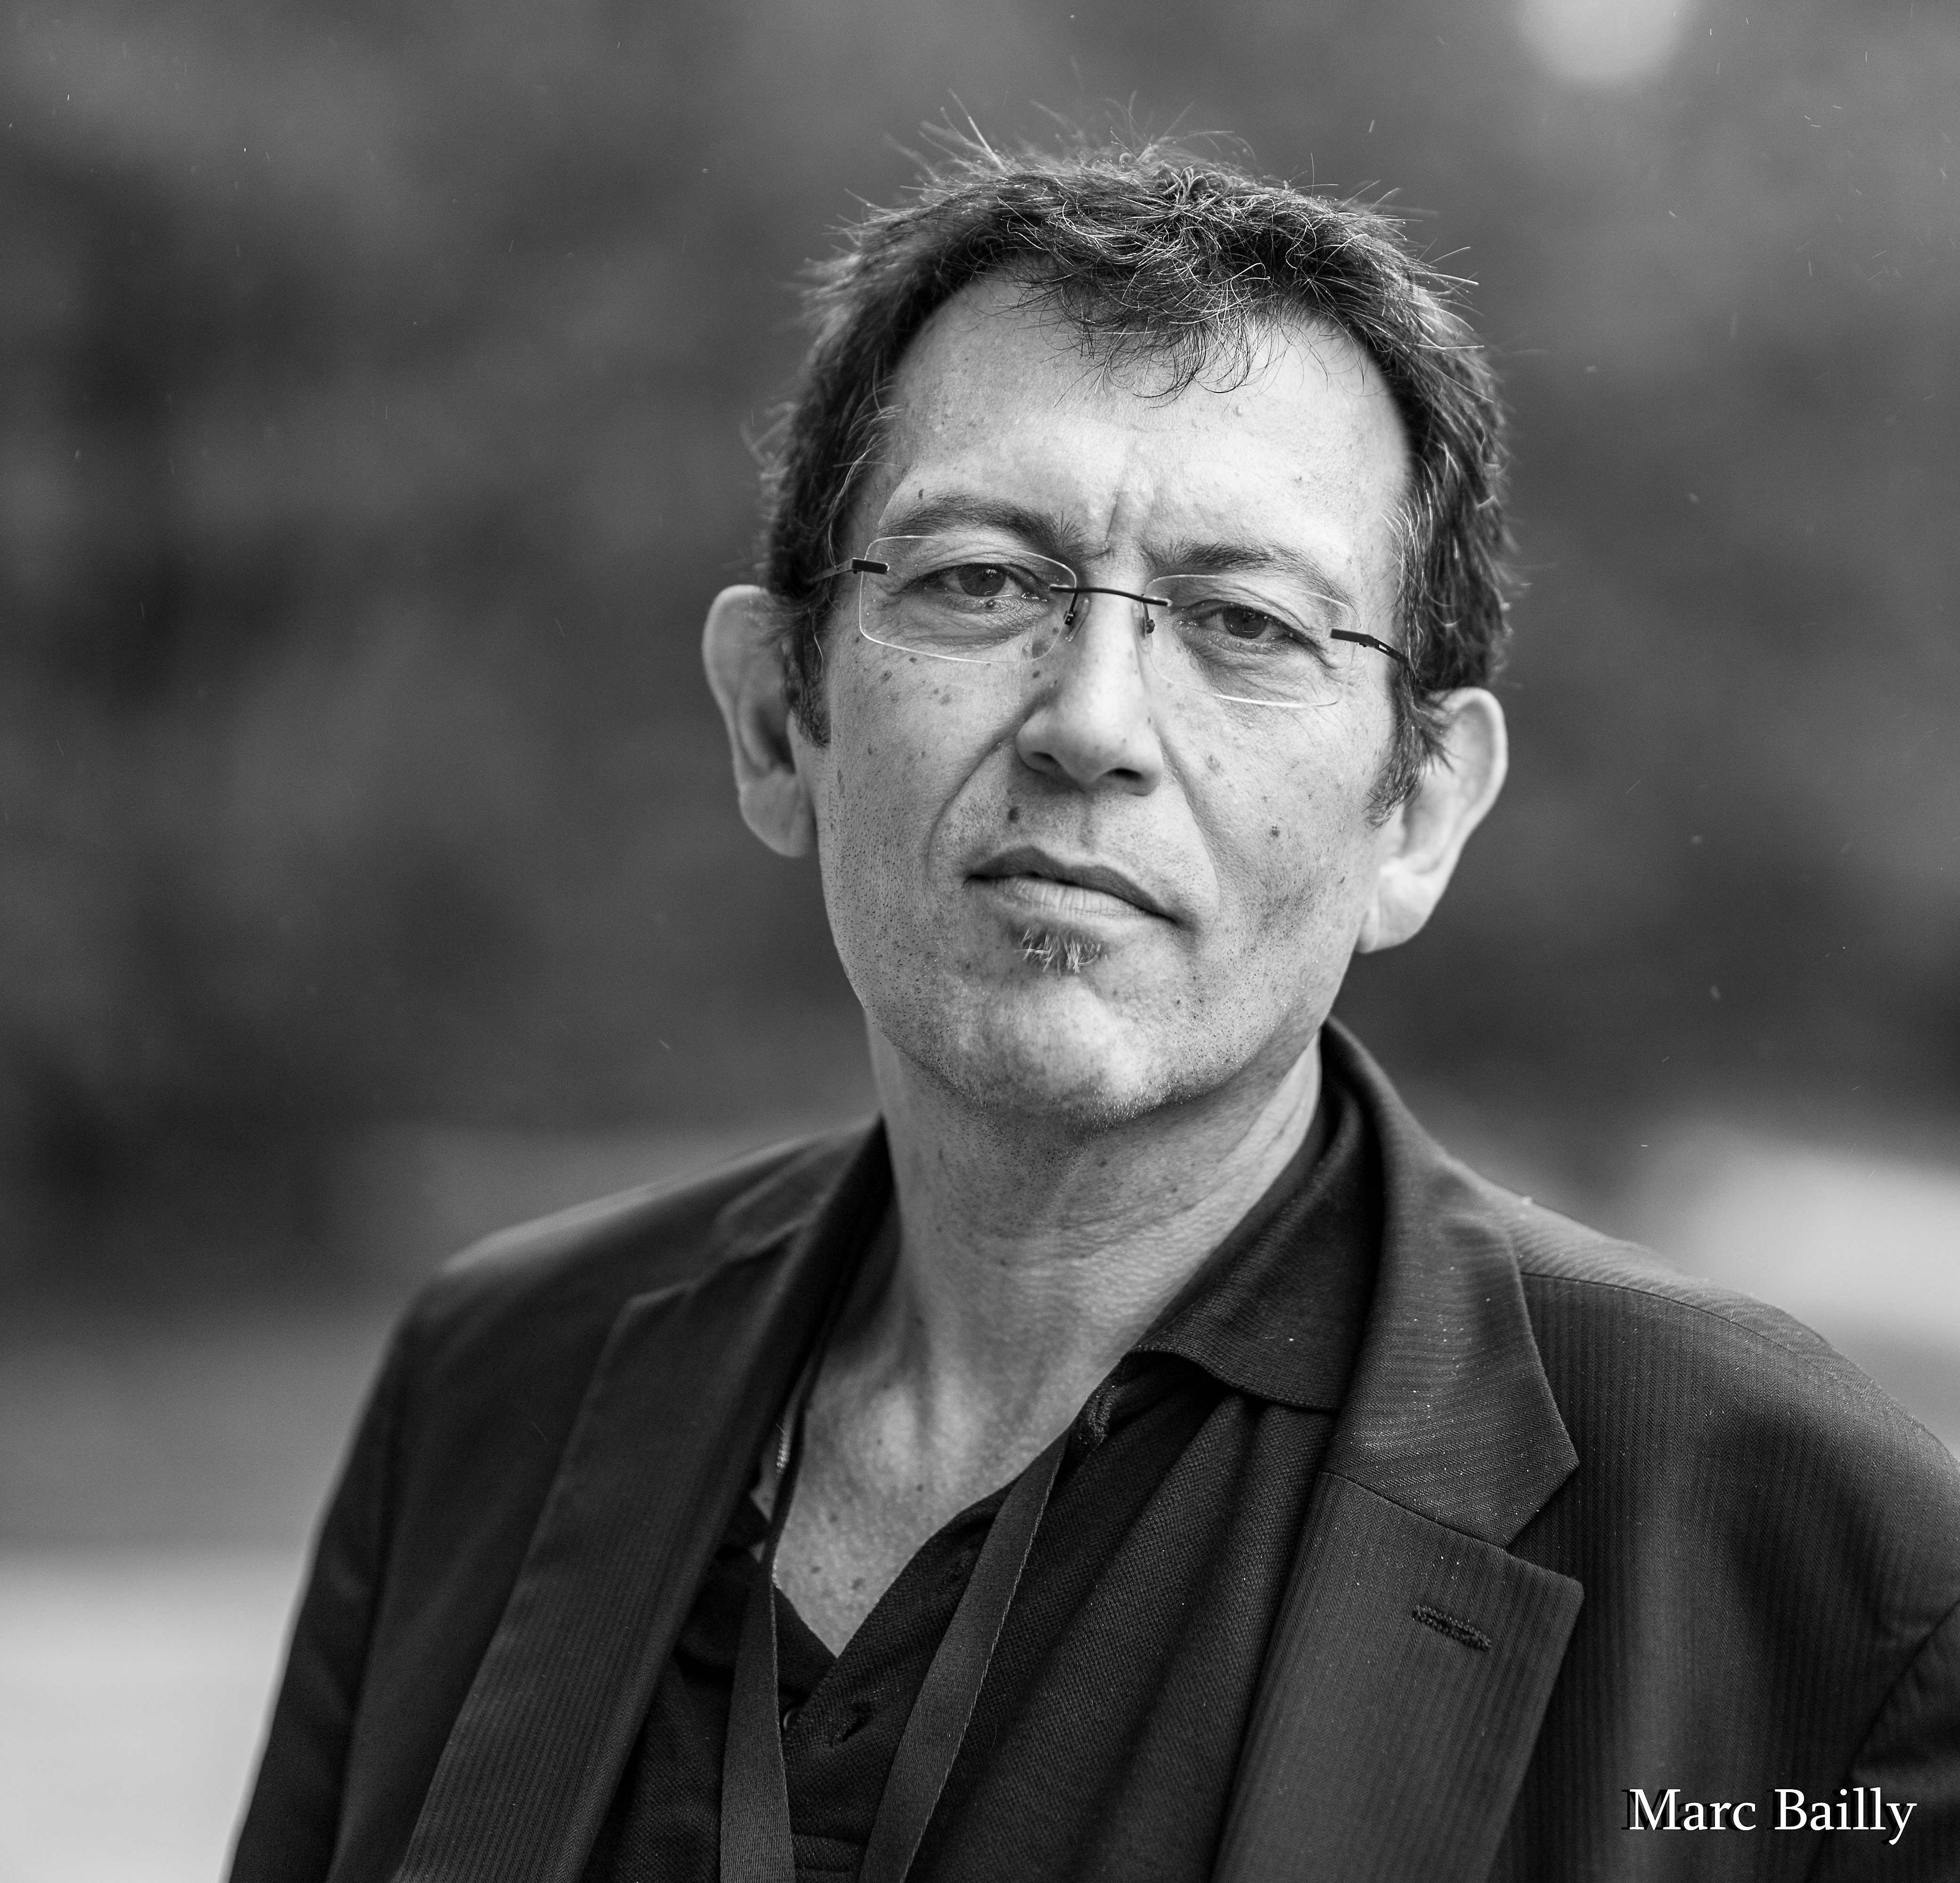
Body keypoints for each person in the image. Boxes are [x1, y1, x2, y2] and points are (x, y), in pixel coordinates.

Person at [229, 140, 1960, 1883]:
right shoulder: (496, 1388)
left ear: (1421, 812)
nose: (1094, 723)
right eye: (981, 580)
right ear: (776, 721)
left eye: (1247, 622)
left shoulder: (1815, 1567)